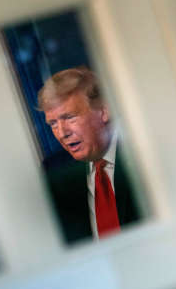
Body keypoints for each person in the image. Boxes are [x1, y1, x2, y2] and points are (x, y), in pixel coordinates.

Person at [38, 67, 139, 243]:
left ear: (104, 111)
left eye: (70, 117)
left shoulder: (140, 153)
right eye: (53, 123)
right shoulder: (55, 172)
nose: (62, 133)